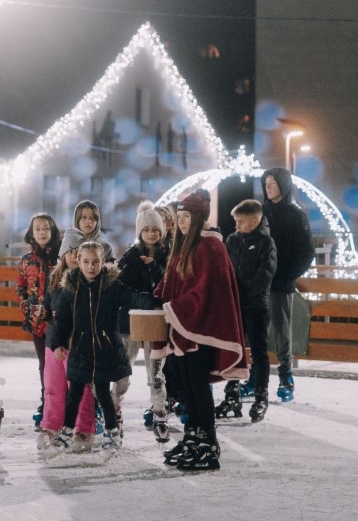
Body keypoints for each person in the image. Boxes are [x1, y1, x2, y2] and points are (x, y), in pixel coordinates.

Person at [154, 189, 247, 472]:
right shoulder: (187, 246)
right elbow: (175, 283)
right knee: (187, 385)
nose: (181, 222)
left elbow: (205, 291)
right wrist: (156, 298)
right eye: (179, 217)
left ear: (198, 219)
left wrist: (175, 307)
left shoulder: (211, 247)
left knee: (197, 385)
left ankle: (208, 443)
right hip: (185, 329)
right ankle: (193, 437)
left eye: (186, 217)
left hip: (201, 328)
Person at [44, 241, 135, 458]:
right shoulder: (71, 288)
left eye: (95, 262)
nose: (91, 266)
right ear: (78, 262)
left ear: (103, 262)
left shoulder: (112, 286)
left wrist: (154, 301)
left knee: (103, 393)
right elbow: (62, 319)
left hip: (104, 350)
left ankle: (112, 434)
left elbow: (132, 297)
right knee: (74, 393)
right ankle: (67, 433)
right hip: (81, 350)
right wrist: (58, 343)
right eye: (86, 262)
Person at [36, 229, 99, 453]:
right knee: (53, 387)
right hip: (54, 342)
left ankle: (84, 429)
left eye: (77, 251)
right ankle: (51, 426)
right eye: (70, 251)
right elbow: (48, 304)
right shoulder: (55, 279)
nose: (73, 256)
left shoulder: (85, 281)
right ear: (63, 254)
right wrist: (43, 311)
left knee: (80, 388)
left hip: (76, 343)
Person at [116, 201, 171, 442]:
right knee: (123, 370)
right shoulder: (130, 257)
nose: (151, 233)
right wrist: (145, 299)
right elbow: (121, 289)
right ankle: (114, 409)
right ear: (140, 231)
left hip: (156, 322)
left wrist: (156, 267)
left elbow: (169, 285)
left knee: (155, 372)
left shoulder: (166, 256)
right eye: (147, 229)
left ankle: (160, 412)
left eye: (155, 229)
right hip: (130, 322)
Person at [261, 167, 315, 402]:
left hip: (281, 283)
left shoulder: (295, 215)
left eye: (273, 182)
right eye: (266, 183)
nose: (268, 186)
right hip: (260, 284)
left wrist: (287, 276)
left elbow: (306, 252)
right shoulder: (261, 212)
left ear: (283, 185)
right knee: (257, 332)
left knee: (282, 332)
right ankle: (256, 377)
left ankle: (285, 377)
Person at [221, 199, 277, 423]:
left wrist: (243, 291)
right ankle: (231, 393)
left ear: (254, 221)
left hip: (255, 305)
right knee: (234, 348)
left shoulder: (266, 243)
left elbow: (266, 274)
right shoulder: (232, 240)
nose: (236, 225)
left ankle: (261, 396)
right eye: (235, 221)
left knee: (258, 351)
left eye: (241, 222)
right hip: (234, 305)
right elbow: (224, 268)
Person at [15, 212, 61, 429]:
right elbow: (20, 286)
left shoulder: (60, 257)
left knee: (58, 364)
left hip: (56, 321)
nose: (42, 232)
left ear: (52, 231)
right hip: (36, 321)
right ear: (32, 233)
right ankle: (46, 402)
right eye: (38, 229)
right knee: (43, 363)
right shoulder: (26, 261)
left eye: (46, 228)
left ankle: (62, 401)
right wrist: (27, 306)